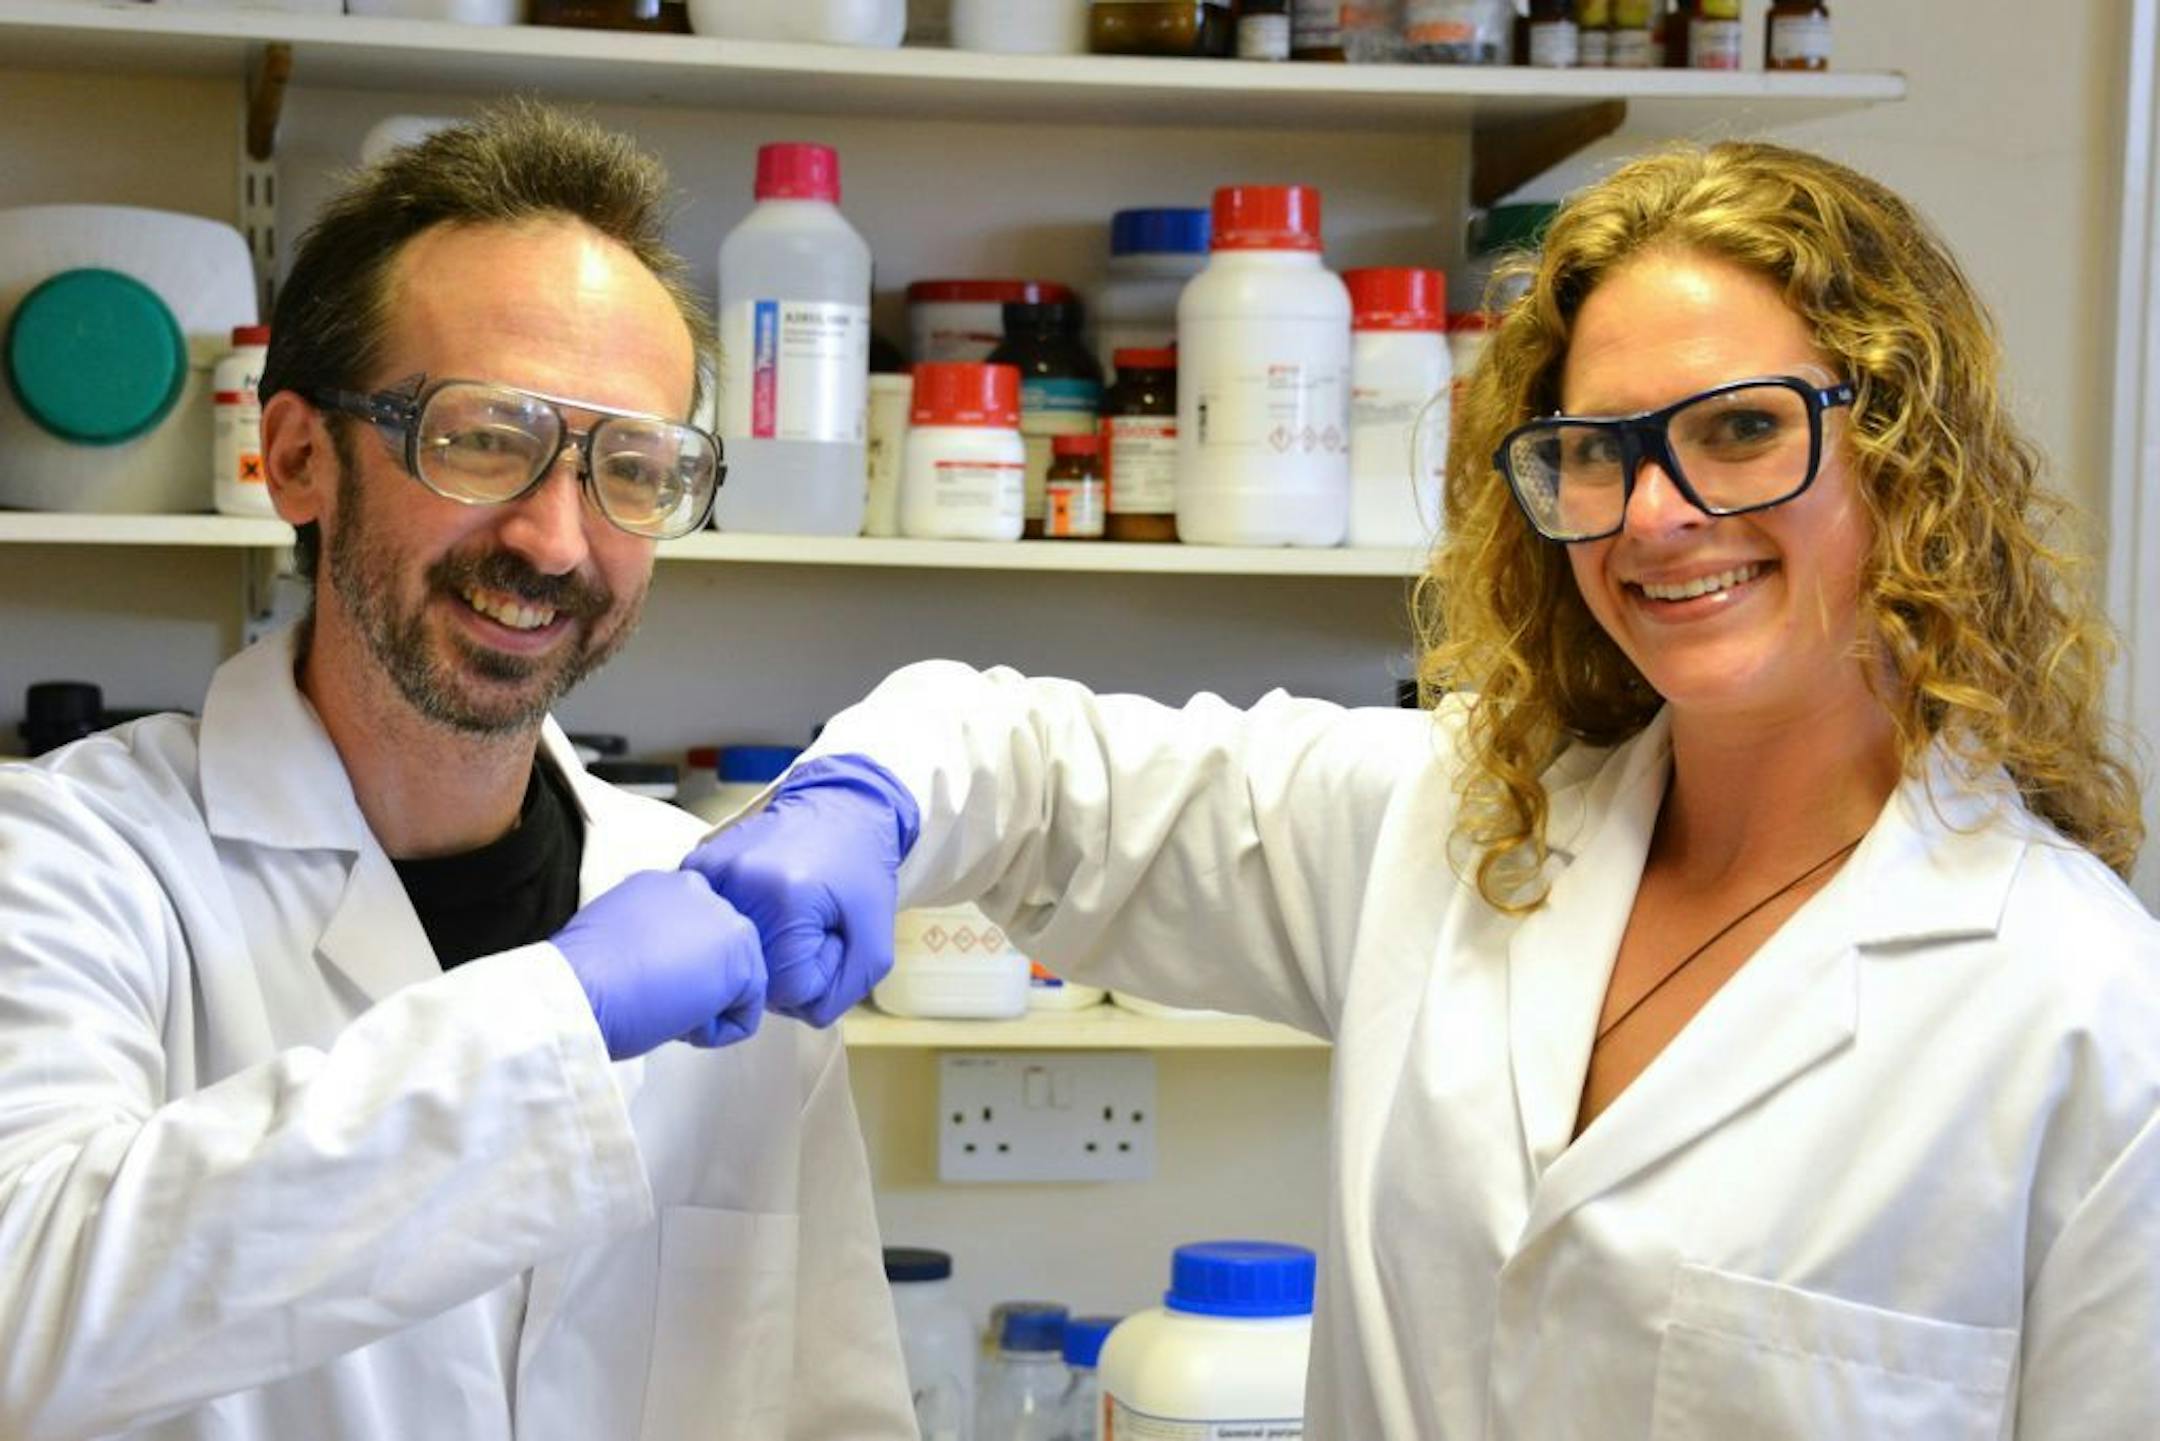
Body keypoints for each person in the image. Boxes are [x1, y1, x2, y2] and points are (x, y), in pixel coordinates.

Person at [683, 141, 2160, 1437]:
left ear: (1902, 454)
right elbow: (1032, 764)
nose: (1655, 514)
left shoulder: (2086, 1020)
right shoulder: (1461, 824)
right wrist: (864, 798)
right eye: (1596, 451)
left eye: (1742, 429)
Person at [0, 102, 914, 1439]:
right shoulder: (68, 864)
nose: (556, 538)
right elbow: (24, 1318)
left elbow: (836, 1405)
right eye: (483, 437)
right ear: (298, 457)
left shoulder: (715, 910)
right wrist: (559, 1017)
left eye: (632, 468)